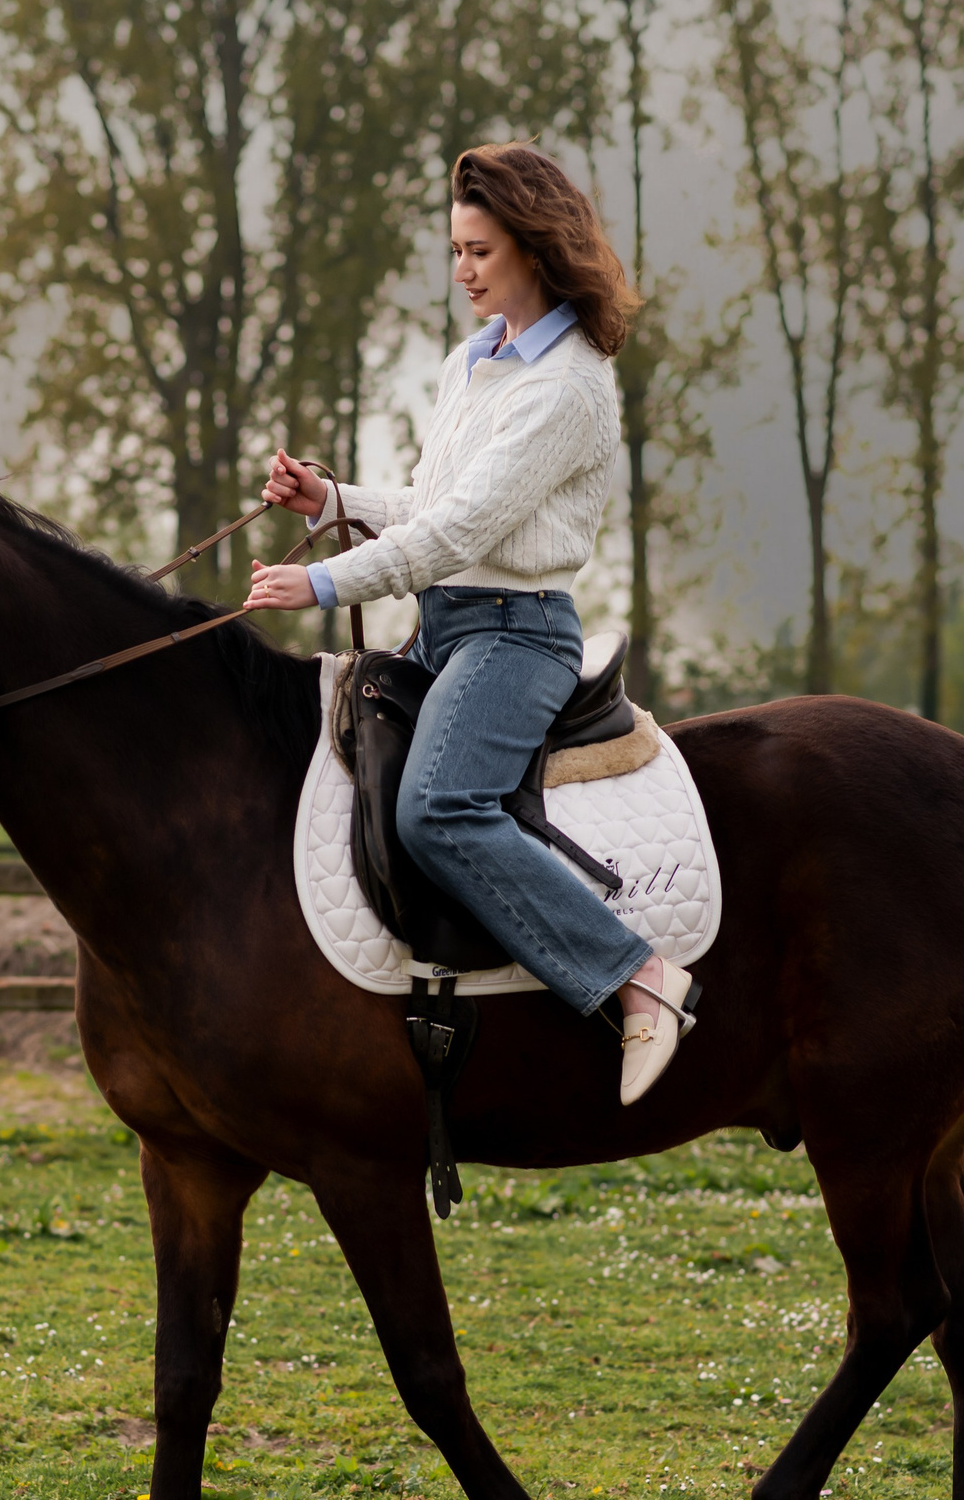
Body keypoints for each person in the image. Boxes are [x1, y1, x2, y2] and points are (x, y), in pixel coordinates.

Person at [244, 143, 698, 1106]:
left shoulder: (567, 389)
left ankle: (636, 976)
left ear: (534, 249)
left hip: (517, 636)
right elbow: (429, 500)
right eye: (456, 249)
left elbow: (458, 533)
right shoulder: (474, 362)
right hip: (444, 627)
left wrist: (321, 583)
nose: (463, 270)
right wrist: (329, 497)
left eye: (481, 251)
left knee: (438, 806)